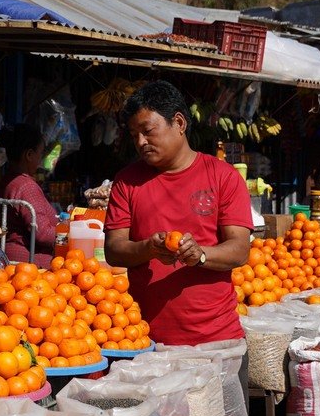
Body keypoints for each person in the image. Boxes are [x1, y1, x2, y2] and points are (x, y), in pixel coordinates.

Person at [105, 81, 252, 346]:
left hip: (216, 340)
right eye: (133, 134)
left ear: (180, 123)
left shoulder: (223, 177)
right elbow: (114, 250)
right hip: (143, 341)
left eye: (148, 131)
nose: (140, 141)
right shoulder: (126, 182)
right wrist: (148, 248)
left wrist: (201, 255)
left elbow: (240, 250)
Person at [0, 122, 58, 268]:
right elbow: (42, 233)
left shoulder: (8, 180)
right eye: (40, 153)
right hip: (30, 265)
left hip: (11, 259)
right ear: (29, 155)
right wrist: (70, 234)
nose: (41, 159)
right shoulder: (27, 187)